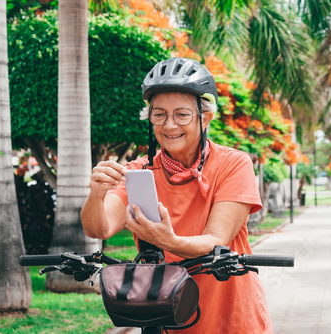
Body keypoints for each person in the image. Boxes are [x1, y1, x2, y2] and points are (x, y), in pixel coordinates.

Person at [81, 57, 273, 333]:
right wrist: (97, 194)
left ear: (204, 117)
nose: (169, 125)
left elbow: (216, 239)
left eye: (182, 114)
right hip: (163, 314)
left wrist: (168, 241)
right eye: (159, 114)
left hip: (230, 314)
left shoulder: (234, 164)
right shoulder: (138, 171)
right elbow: (99, 228)